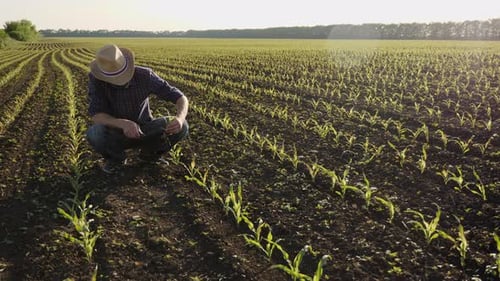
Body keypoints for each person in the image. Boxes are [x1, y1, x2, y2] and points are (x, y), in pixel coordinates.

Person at [86, 44, 189, 174]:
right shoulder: (96, 80)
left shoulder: (145, 75)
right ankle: (116, 159)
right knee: (95, 133)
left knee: (183, 126)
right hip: (115, 132)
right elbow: (96, 114)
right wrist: (124, 123)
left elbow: (181, 97)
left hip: (145, 130)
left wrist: (179, 118)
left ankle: (149, 155)